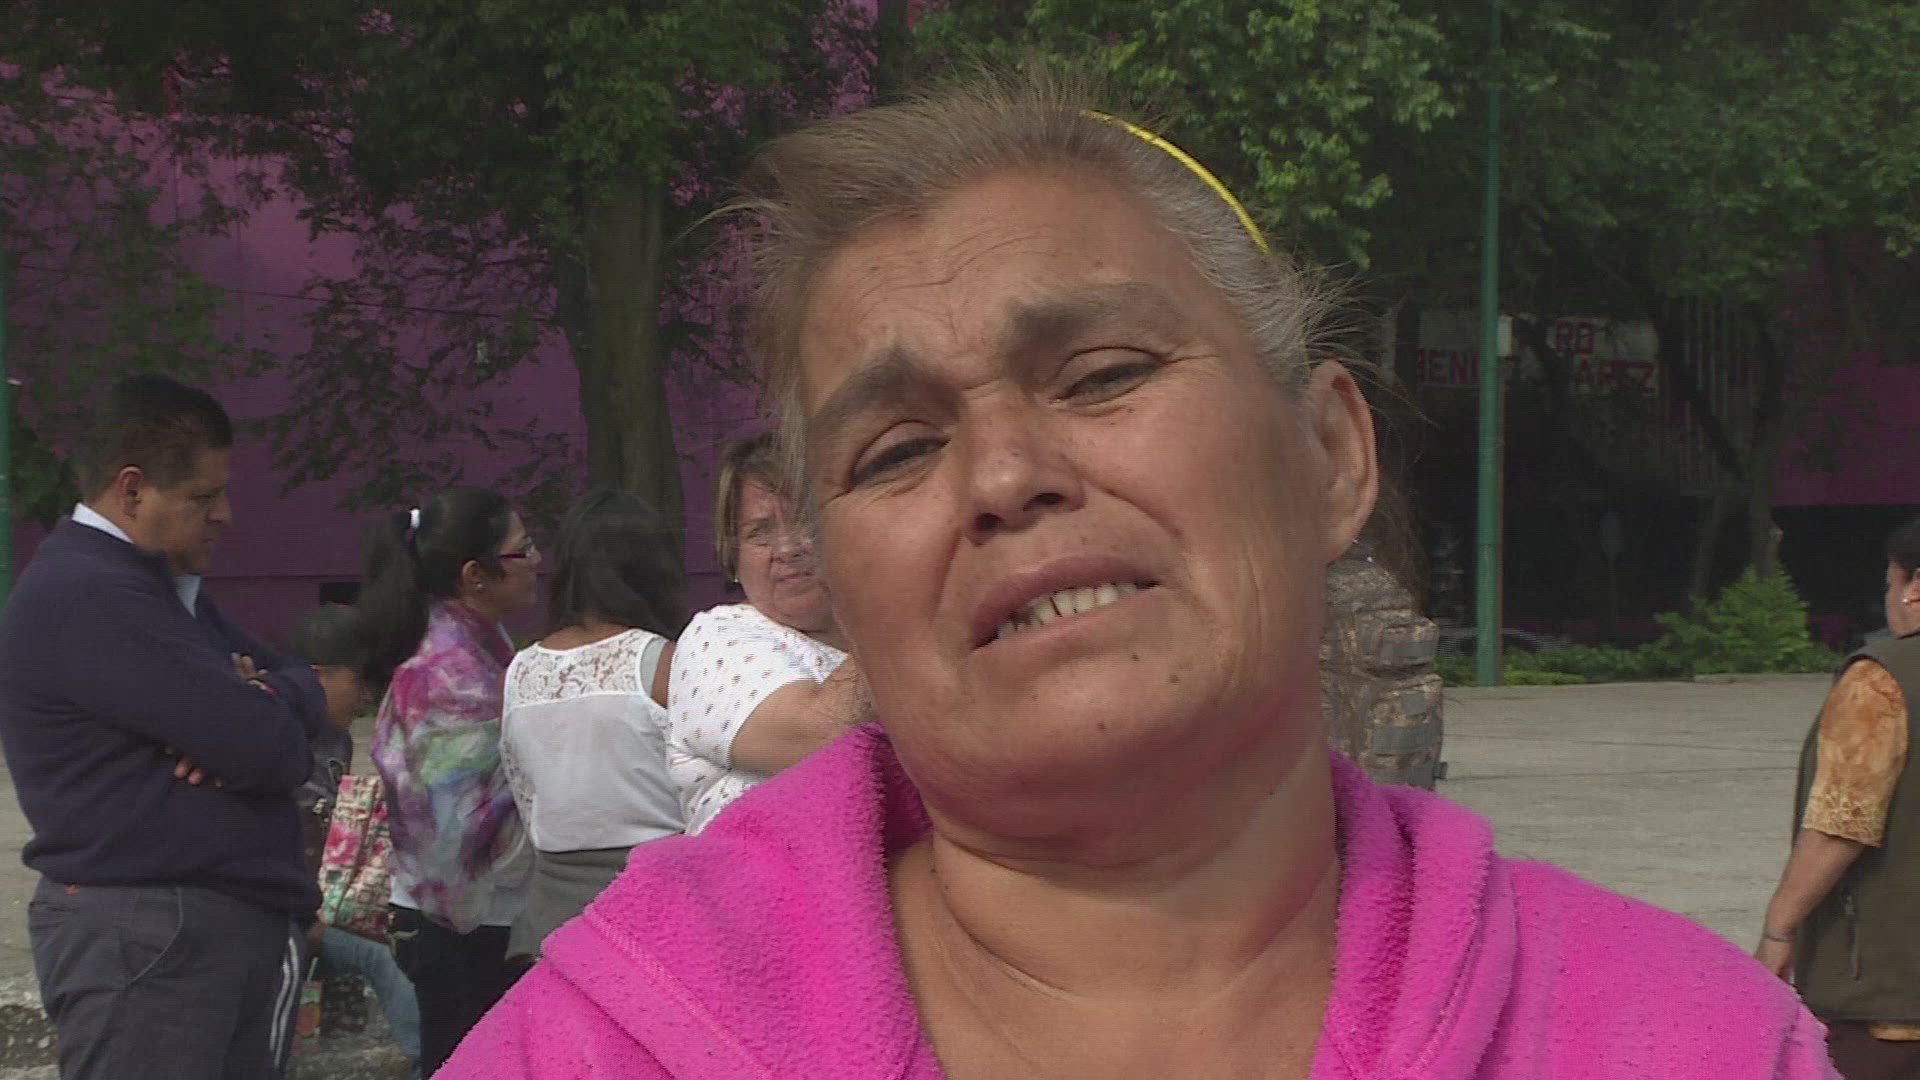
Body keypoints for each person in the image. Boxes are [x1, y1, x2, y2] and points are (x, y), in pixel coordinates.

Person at [443, 70, 1834, 1079]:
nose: (1004, 475)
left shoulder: (1692, 1040)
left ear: (1329, 457)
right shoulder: (596, 1048)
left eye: (1104, 374)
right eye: (898, 450)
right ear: (835, 594)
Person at [0, 374, 332, 1079]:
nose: (225, 516)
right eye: (204, 497)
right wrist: (255, 714)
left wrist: (265, 693)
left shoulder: (153, 586)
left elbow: (313, 684)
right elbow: (269, 750)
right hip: (149, 943)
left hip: (185, 938)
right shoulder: (90, 593)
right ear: (132, 490)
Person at [361, 486, 539, 1074]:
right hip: (458, 921)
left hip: (474, 912)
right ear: (475, 576)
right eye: (522, 550)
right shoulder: (450, 673)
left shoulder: (479, 642)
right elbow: (452, 829)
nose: (537, 560)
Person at [1757, 514, 1920, 1079]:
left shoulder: (1883, 680)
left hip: (1891, 997)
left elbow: (1841, 825)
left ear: (1915, 586)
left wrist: (1778, 931)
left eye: (1889, 582)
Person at [500, 490, 687, 964]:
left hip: (551, 914)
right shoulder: (663, 661)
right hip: (660, 906)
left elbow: (525, 794)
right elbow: (701, 792)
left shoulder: (520, 671)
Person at [664, 433, 870, 833]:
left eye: (807, 521)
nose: (788, 548)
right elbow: (817, 733)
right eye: (760, 532)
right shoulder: (716, 638)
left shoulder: (864, 635)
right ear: (732, 556)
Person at [285, 604, 424, 1079]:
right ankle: (430, 1063)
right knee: (380, 956)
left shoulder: (337, 740)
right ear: (314, 676)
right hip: (282, 909)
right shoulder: (278, 737)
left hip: (321, 904)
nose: (367, 696)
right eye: (360, 680)